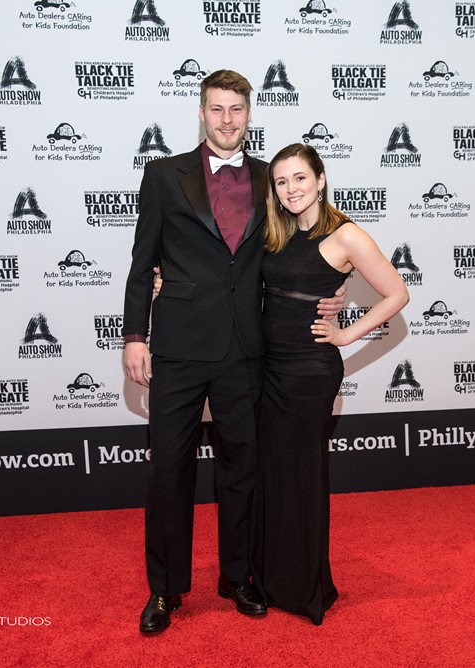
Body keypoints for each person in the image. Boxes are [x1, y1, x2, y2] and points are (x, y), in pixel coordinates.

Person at [122, 71, 343, 635]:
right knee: (169, 470)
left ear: (249, 114)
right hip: (178, 346)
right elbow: (140, 260)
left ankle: (240, 576)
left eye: (236, 110)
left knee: (242, 469)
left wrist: (332, 287)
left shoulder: (273, 177)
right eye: (217, 109)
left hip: (248, 347)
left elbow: (305, 243)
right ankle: (165, 590)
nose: (227, 119)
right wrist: (135, 336)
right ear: (202, 113)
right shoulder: (163, 175)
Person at [252, 143, 409, 625]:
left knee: (301, 477)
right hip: (267, 368)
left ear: (321, 180)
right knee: (272, 476)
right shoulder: (274, 234)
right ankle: (269, 578)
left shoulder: (347, 237)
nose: (291, 189)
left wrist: (345, 333)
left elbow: (397, 293)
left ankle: (306, 587)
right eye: (281, 182)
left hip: (308, 373)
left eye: (300, 178)